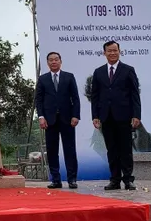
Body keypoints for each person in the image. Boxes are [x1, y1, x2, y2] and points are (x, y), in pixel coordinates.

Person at [91, 40, 141, 191]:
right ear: (104, 53)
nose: (112, 53)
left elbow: (134, 94)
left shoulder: (128, 70)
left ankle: (128, 179)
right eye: (109, 51)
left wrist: (136, 115)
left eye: (115, 50)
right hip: (106, 116)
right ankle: (114, 180)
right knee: (111, 149)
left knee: (125, 149)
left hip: (124, 115)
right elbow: (95, 96)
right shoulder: (98, 72)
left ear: (120, 51)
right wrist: (95, 115)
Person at [35, 52, 80, 189]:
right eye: (51, 60)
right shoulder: (43, 79)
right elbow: (39, 100)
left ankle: (72, 179)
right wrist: (41, 117)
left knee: (70, 150)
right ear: (47, 63)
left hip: (67, 119)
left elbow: (75, 98)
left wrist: (75, 115)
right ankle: (56, 179)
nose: (53, 62)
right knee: (52, 150)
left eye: (56, 59)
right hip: (50, 121)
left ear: (61, 61)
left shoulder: (69, 77)